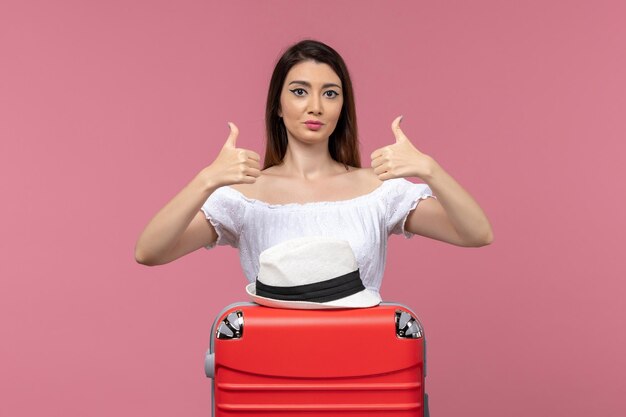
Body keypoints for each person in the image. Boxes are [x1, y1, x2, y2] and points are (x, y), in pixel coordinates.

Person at [135, 39, 493, 295]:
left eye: (330, 93)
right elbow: (149, 252)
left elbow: (476, 234)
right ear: (277, 105)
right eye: (300, 91)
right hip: (271, 373)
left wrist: (429, 169)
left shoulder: (378, 190)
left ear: (342, 107)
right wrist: (206, 180)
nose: (316, 107)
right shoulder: (244, 196)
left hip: (363, 368)